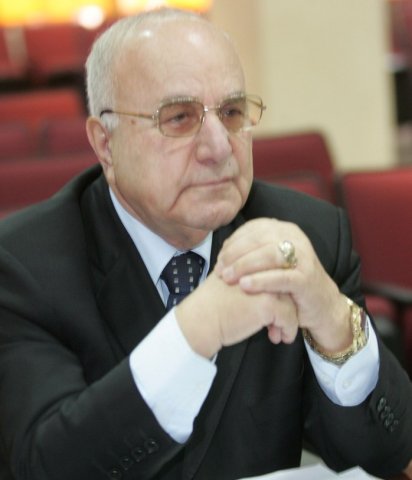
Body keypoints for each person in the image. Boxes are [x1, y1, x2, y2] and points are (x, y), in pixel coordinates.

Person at [0, 8, 411, 480]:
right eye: (178, 118)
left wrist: (337, 326)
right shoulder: (23, 266)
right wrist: (195, 332)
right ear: (106, 144)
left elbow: (387, 456)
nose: (219, 148)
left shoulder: (306, 235)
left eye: (232, 113)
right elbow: (47, 466)